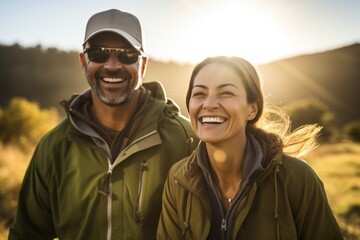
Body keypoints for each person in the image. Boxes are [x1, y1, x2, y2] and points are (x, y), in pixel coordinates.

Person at [9, 9, 198, 240]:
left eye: (127, 54)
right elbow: (27, 234)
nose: (112, 65)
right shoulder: (53, 147)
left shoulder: (187, 139)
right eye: (98, 54)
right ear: (83, 61)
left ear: (143, 64)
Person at [157, 56, 343, 239]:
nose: (209, 104)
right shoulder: (178, 179)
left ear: (252, 109)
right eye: (199, 94)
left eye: (226, 93)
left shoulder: (297, 178)